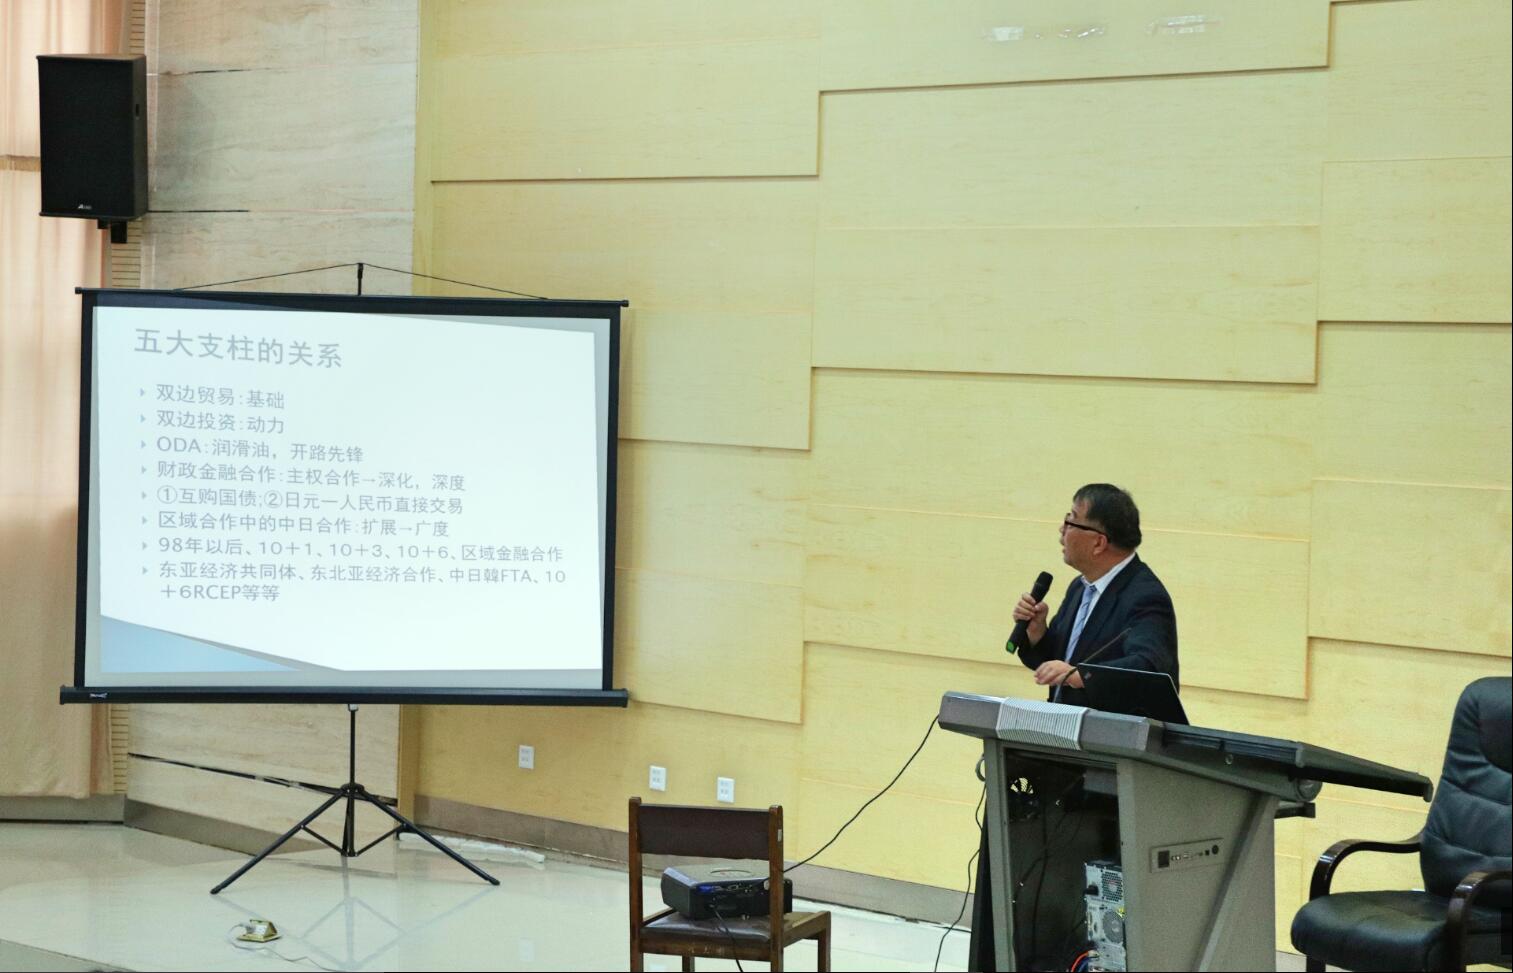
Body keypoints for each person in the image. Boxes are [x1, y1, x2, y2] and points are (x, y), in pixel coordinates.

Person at [1009, 483, 1178, 705]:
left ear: (1098, 542)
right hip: (1065, 722)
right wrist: (1037, 633)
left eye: (1071, 521)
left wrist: (1081, 675)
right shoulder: (1080, 587)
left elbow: (1148, 667)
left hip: (1112, 726)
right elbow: (1058, 664)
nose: (1062, 529)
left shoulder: (1145, 596)